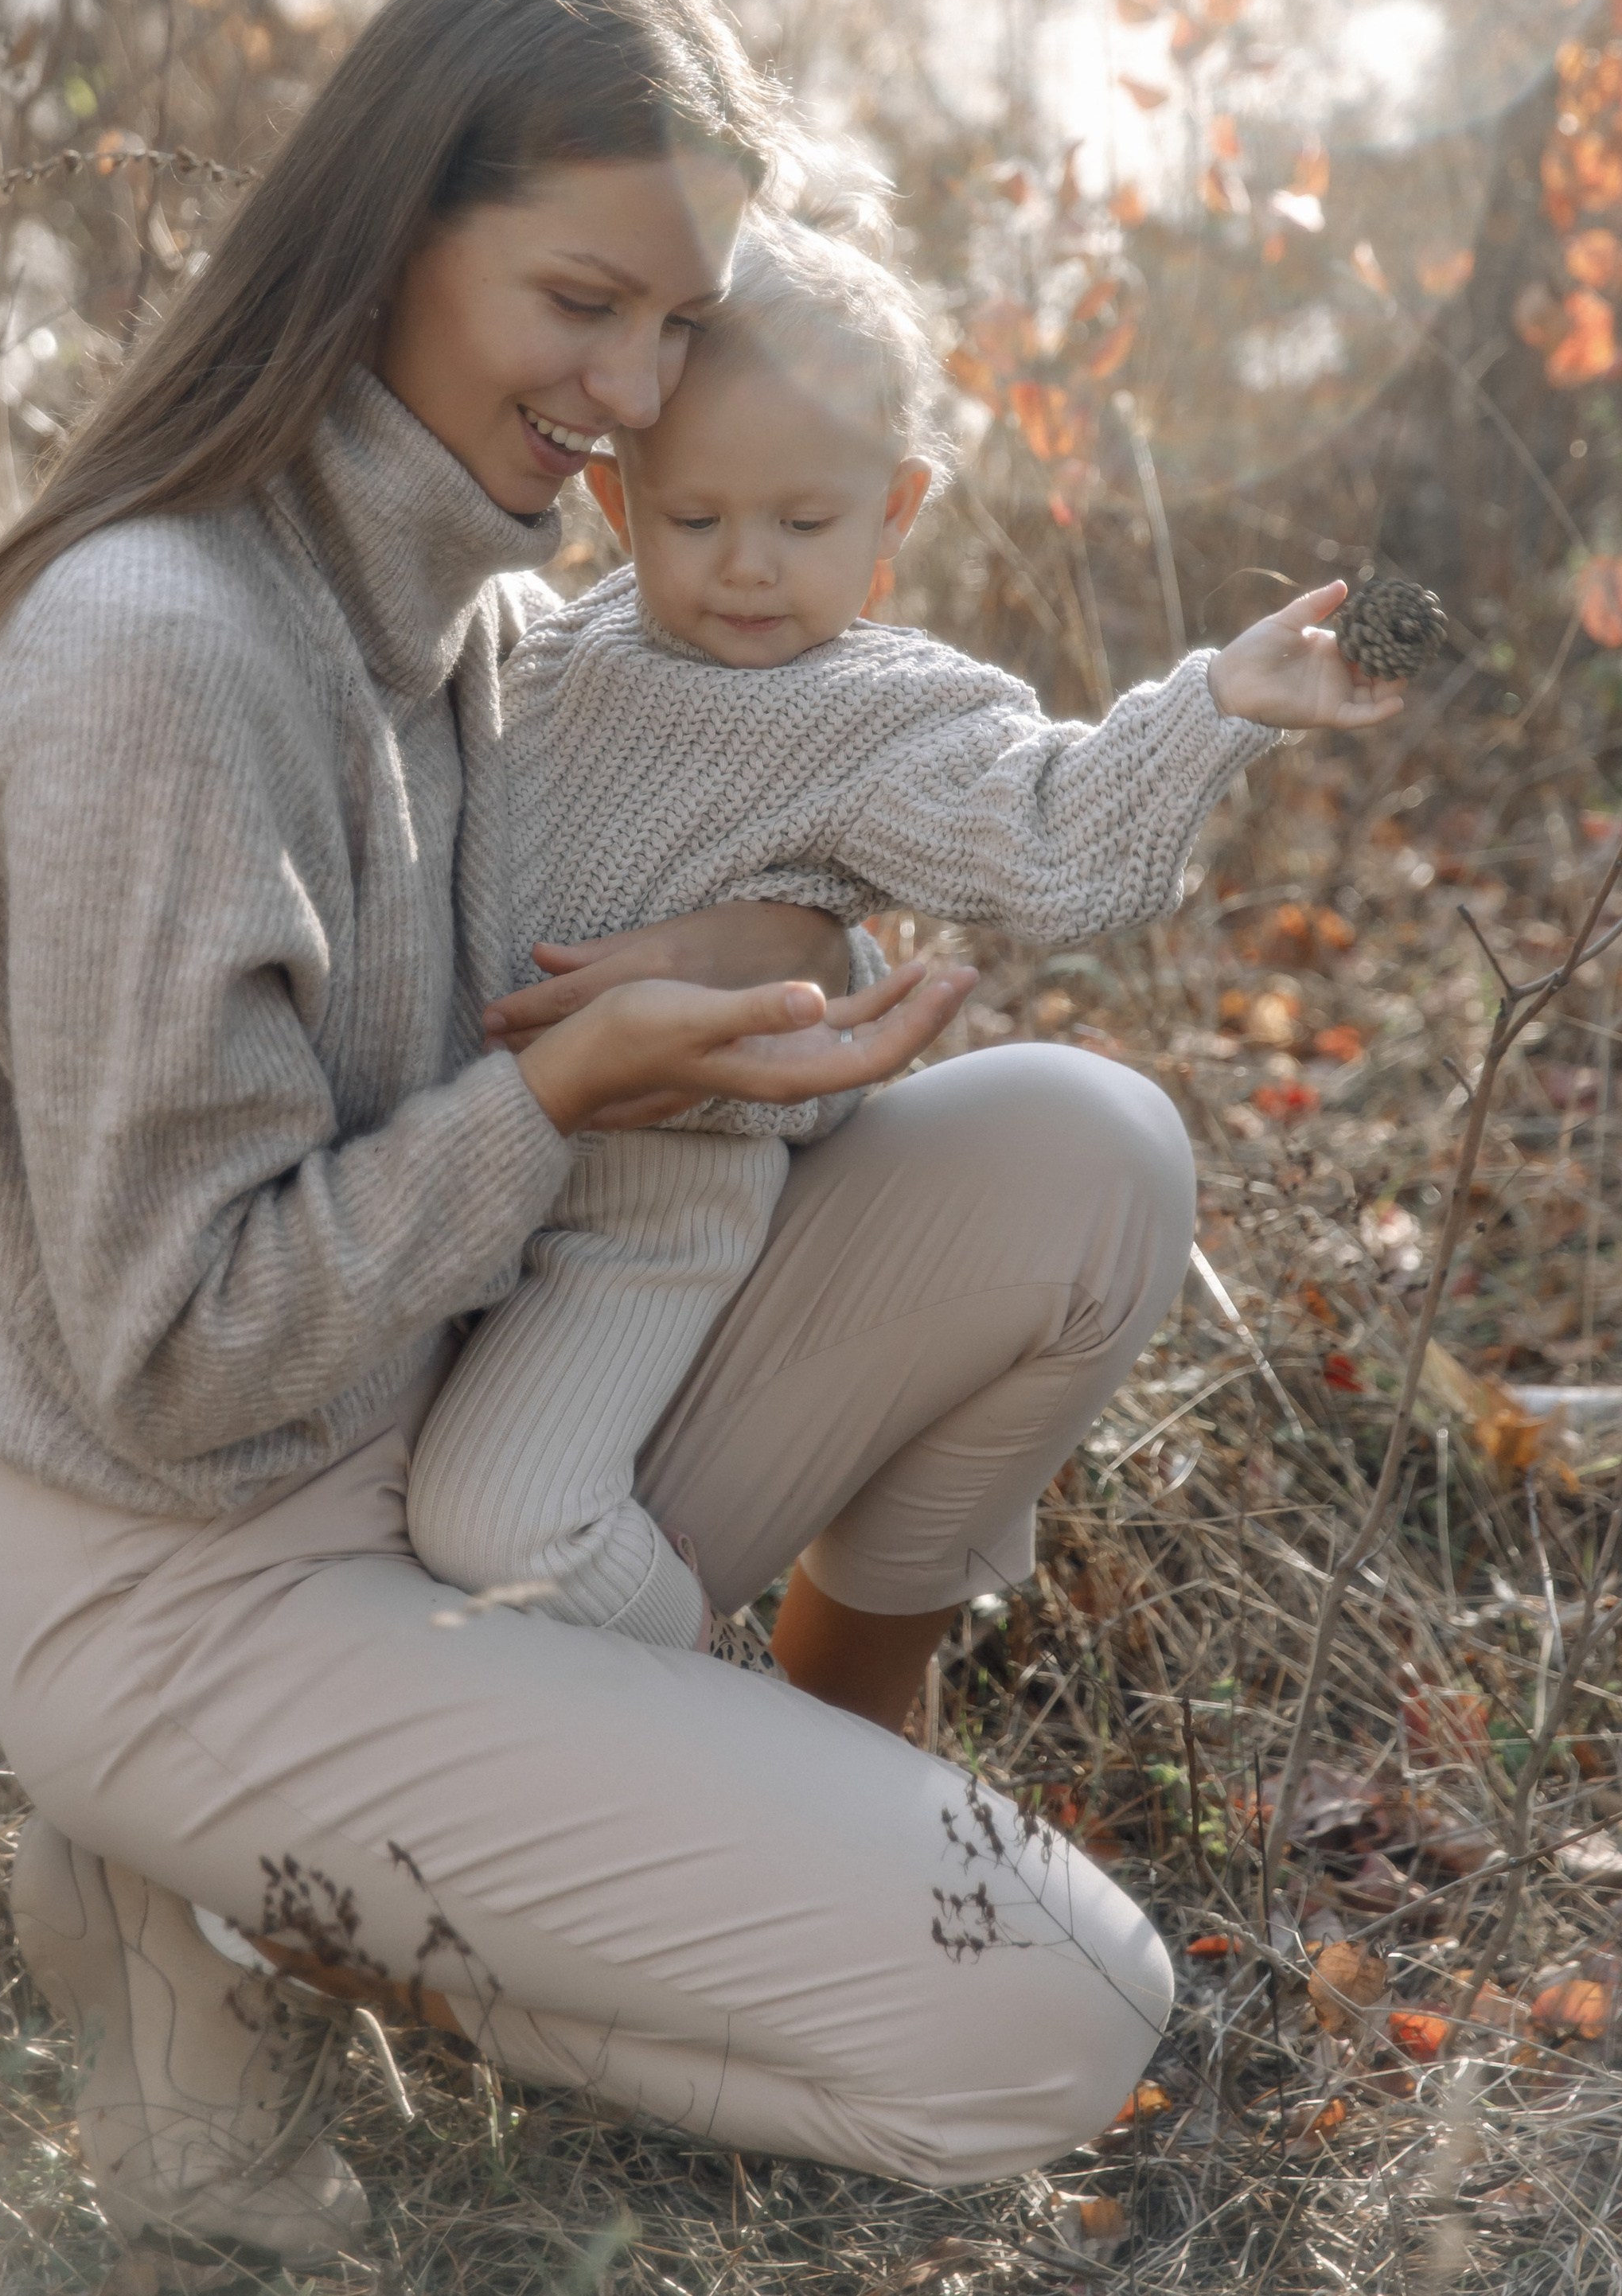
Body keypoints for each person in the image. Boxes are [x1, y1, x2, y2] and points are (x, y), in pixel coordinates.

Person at [0, 0, 1398, 2272]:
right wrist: (578, 1078)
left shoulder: (493, 606)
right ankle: (229, 1893)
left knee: (1085, 1149)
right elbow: (173, 1356)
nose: (631, 390)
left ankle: (732, 1775)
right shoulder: (157, 671)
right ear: (395, 228)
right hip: (209, 1587)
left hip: (469, 1429)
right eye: (582, 302)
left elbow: (726, 836)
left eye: (677, 325)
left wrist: (769, 951)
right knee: (1053, 2023)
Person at [404, 211, 1399, 1657]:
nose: (747, 566)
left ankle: (716, 1710)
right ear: (619, 508)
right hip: (448, 1168)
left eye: (805, 523)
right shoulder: (558, 649)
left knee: (498, 1530)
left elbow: (1055, 840)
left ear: (895, 516)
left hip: (643, 1212)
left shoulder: (881, 710)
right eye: (696, 519)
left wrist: (1213, 709)